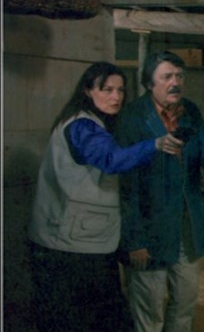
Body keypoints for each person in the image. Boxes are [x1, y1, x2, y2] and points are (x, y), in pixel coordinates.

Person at [27, 62, 179, 332]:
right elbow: (110, 159)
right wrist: (155, 144)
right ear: (88, 91)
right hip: (71, 247)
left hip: (82, 240)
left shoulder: (93, 123)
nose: (116, 97)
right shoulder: (83, 127)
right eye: (107, 89)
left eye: (120, 90)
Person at [116, 50, 204, 332]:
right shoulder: (132, 119)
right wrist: (134, 241)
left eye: (179, 76)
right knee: (149, 312)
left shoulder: (189, 111)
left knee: (184, 304)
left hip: (186, 229)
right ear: (149, 83)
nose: (175, 82)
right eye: (166, 76)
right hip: (150, 232)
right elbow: (124, 187)